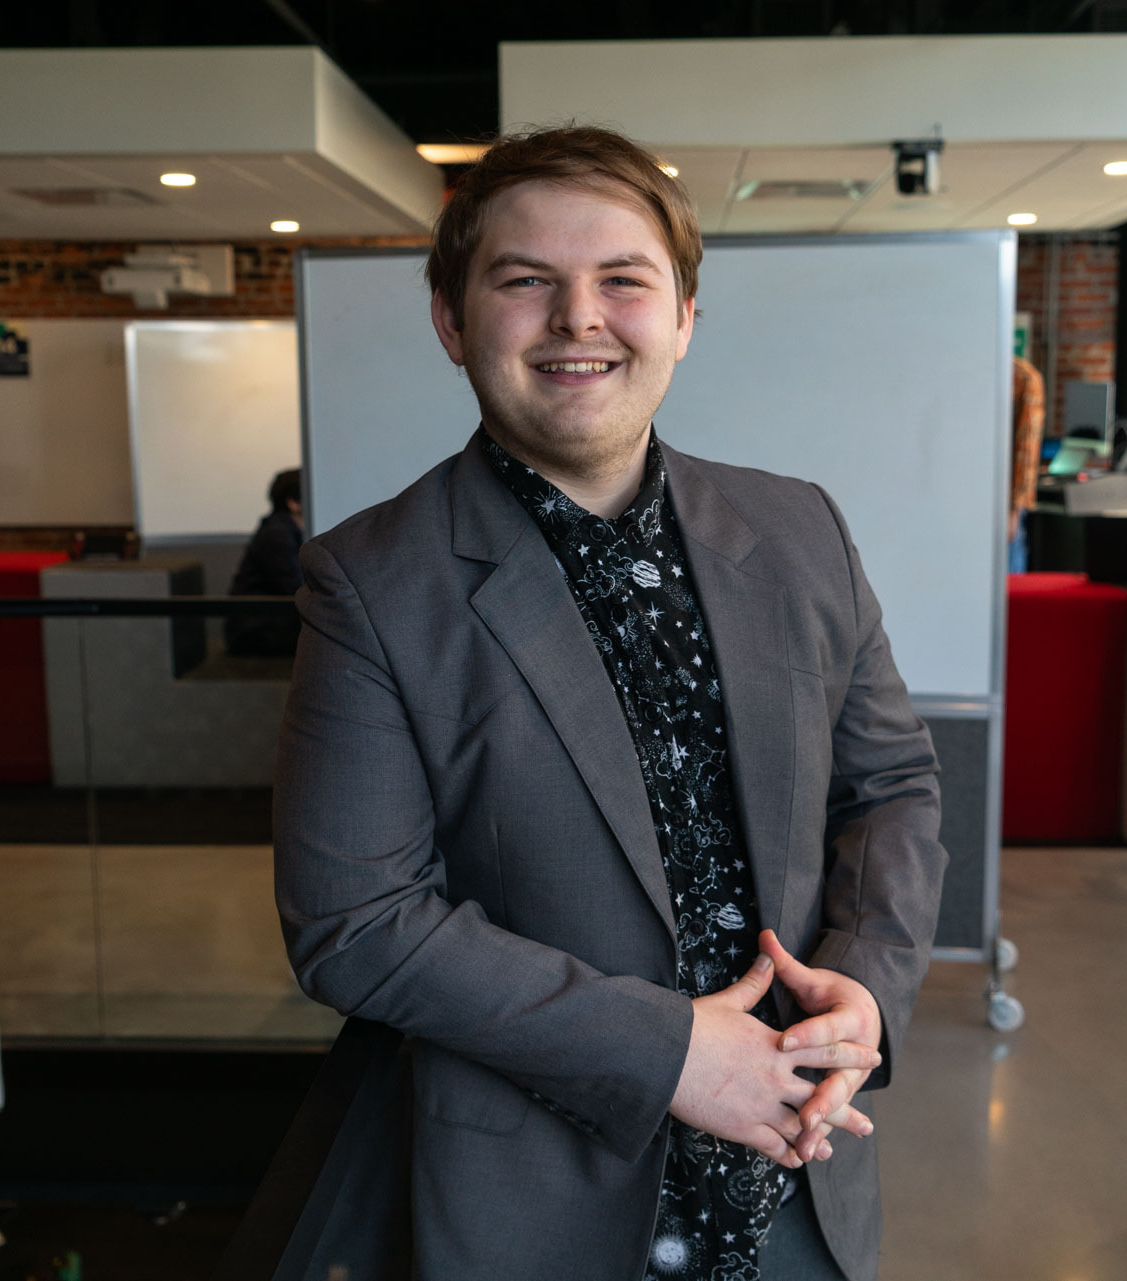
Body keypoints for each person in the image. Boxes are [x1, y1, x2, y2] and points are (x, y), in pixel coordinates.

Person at [273, 125, 946, 1281]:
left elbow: (891, 787)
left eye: (623, 280)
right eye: (524, 281)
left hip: (801, 1179)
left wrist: (868, 988)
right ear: (452, 323)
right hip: (535, 1206)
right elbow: (356, 922)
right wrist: (670, 1052)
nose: (578, 317)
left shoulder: (801, 531)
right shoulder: (372, 584)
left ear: (683, 318)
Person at [226, 467, 304, 656]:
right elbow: (296, 587)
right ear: (293, 502)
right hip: (256, 630)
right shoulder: (277, 534)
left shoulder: (282, 529)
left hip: (267, 622)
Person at [1008, 355, 1045, 574]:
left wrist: (1014, 508)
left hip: (1004, 502)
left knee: (1007, 581)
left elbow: (1026, 449)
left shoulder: (1023, 378)